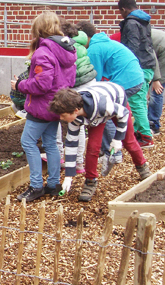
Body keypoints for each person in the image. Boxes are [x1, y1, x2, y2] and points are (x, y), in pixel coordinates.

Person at [10, 11, 76, 202]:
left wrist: (20, 85)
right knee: (50, 144)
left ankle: (36, 186)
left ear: (39, 30)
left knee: (28, 142)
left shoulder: (43, 52)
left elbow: (41, 84)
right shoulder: (68, 49)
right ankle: (53, 184)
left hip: (41, 107)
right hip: (57, 105)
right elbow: (68, 79)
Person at [49, 85, 152, 202]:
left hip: (117, 102)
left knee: (128, 141)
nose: (61, 118)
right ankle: (90, 181)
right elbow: (71, 144)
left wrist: (118, 139)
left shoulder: (103, 105)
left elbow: (123, 113)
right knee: (93, 147)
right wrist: (68, 176)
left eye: (63, 115)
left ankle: (142, 166)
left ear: (75, 111)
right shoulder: (75, 118)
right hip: (95, 115)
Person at [76, 21, 153, 162]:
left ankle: (113, 153)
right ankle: (113, 149)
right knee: (109, 112)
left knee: (102, 112)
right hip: (135, 76)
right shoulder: (102, 41)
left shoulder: (94, 49)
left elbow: (94, 78)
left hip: (127, 80)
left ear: (84, 36)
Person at [59, 18, 98, 174]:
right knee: (81, 123)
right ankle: (79, 162)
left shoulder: (67, 45)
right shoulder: (81, 43)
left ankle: (76, 162)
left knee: (76, 123)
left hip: (79, 85)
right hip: (89, 82)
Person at [118, 0, 156, 148]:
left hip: (138, 67)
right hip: (148, 65)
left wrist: (126, 65)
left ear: (124, 9)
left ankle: (146, 137)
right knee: (140, 101)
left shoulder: (131, 23)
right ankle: (141, 132)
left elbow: (131, 47)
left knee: (136, 102)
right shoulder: (144, 21)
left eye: (120, 12)